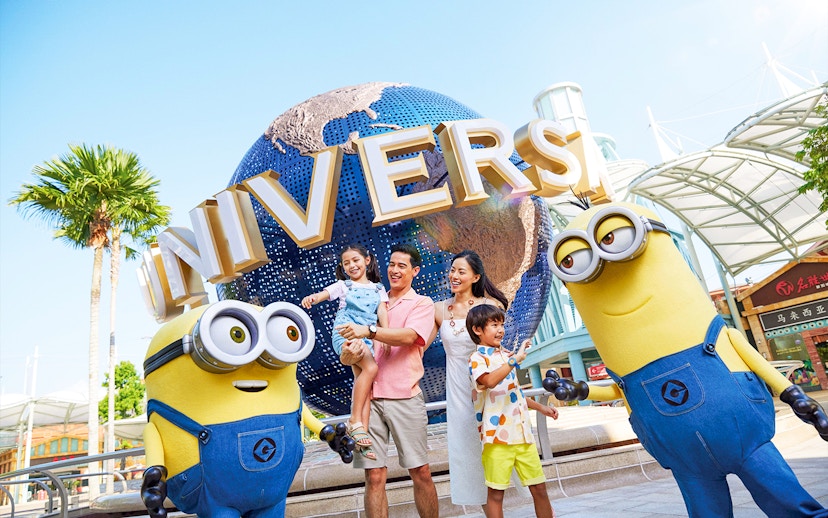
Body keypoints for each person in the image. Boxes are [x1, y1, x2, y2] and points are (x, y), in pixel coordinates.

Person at [338, 243, 439, 518]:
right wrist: (348, 352)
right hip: (369, 401)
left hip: (405, 397)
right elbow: (349, 349)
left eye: (402, 266)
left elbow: (409, 337)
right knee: (374, 476)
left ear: (415, 271)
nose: (394, 270)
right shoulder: (369, 298)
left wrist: (369, 331)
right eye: (391, 264)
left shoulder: (422, 303)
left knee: (421, 471)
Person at [429, 250, 510, 508]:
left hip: (488, 384)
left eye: (461, 271)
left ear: (475, 276)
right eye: (452, 270)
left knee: (495, 446)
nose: (454, 275)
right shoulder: (439, 309)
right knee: (468, 449)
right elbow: (418, 344)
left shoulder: (491, 307)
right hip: (458, 390)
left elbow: (498, 348)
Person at [467, 304, 558, 518]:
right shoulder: (477, 359)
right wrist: (513, 360)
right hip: (496, 438)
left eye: (501, 324)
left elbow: (515, 394)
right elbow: (488, 381)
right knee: (496, 494)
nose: (500, 330)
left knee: (540, 489)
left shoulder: (506, 356)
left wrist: (542, 408)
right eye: (494, 325)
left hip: (523, 436)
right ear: (477, 330)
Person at [302, 244, 388, 460]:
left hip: (366, 339)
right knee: (371, 368)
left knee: (364, 386)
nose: (351, 265)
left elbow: (382, 315)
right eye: (346, 263)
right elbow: (324, 294)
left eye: (356, 260)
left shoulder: (379, 289)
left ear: (367, 260)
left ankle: (361, 439)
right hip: (346, 334)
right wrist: (312, 298)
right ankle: (355, 421)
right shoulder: (344, 285)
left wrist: (384, 340)